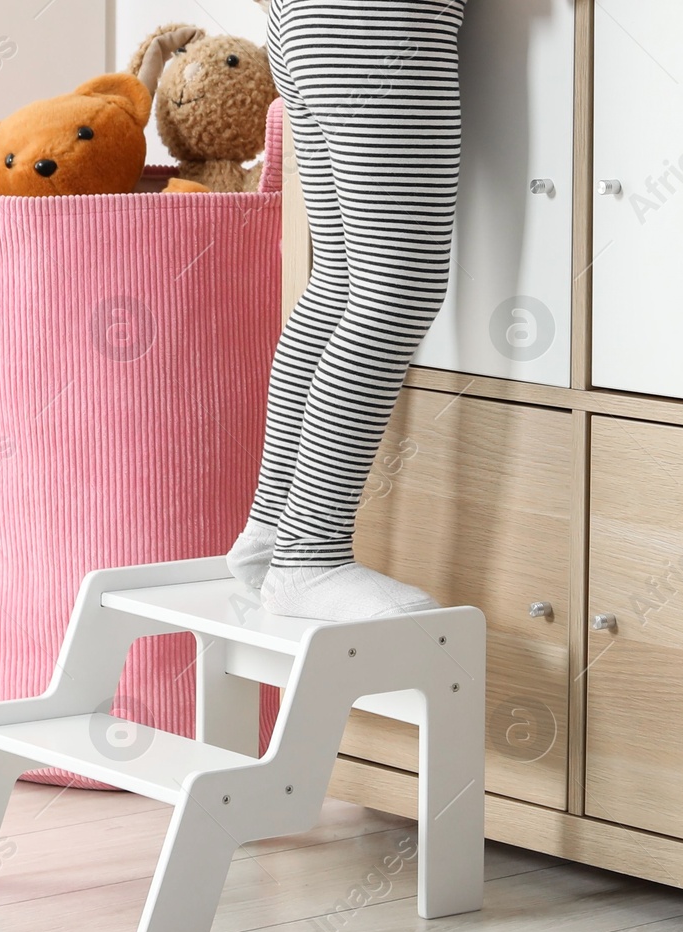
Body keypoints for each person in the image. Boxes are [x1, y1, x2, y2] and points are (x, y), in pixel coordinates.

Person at [228, 0, 467, 621]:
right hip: (379, 26)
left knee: (341, 281)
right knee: (397, 286)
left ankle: (274, 532)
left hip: (316, 26)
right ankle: (309, 558)